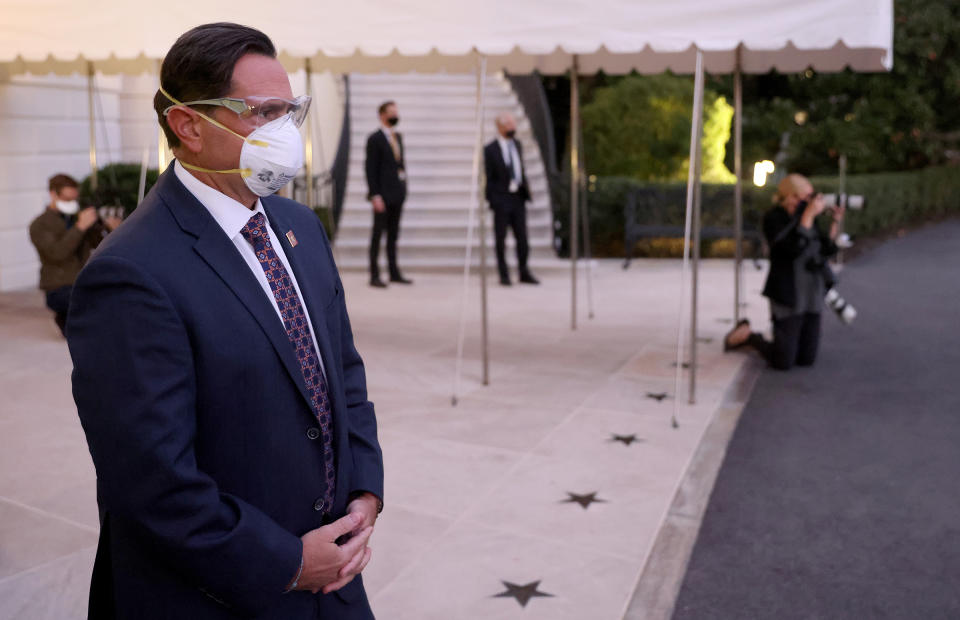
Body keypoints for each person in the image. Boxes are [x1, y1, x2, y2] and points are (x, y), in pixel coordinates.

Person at [67, 23, 384, 619]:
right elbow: (151, 479)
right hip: (218, 593)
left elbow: (340, 371)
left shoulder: (301, 229)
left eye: (290, 111)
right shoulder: (131, 272)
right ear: (188, 125)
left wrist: (365, 485)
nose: (283, 131)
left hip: (334, 578)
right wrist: (285, 562)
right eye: (261, 112)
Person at [724, 173, 843, 370]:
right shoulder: (775, 218)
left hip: (811, 294)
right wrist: (806, 217)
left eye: (810, 197)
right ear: (790, 196)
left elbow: (826, 250)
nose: (808, 202)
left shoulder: (810, 218)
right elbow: (790, 250)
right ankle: (749, 337)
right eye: (804, 197)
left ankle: (783, 340)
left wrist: (835, 222)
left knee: (806, 359)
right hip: (787, 295)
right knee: (783, 362)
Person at [28, 174, 121, 335]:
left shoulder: (78, 217)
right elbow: (56, 254)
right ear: (53, 194)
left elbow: (99, 245)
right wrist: (80, 227)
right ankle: (69, 319)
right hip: (59, 287)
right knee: (97, 306)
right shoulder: (39, 225)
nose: (72, 203)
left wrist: (110, 229)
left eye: (74, 199)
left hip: (84, 280)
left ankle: (70, 320)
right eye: (67, 199)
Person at [484, 112, 539, 286]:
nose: (513, 128)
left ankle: (523, 271)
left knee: (522, 237)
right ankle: (504, 274)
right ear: (500, 127)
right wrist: (493, 199)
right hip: (501, 199)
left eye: (513, 124)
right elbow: (489, 178)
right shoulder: (490, 149)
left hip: (518, 198)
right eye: (509, 125)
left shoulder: (517, 144)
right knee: (501, 238)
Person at [365, 100, 411, 288]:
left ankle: (394, 271)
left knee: (393, 234)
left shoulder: (397, 137)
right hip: (382, 195)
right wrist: (375, 195)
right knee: (378, 234)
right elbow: (370, 168)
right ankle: (374, 274)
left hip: (397, 193)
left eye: (396, 111)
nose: (395, 115)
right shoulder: (374, 139)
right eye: (391, 112)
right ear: (382, 115)